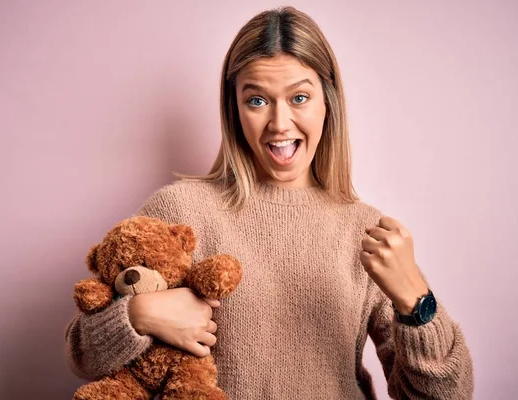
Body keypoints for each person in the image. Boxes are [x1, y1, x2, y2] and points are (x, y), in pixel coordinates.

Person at [65, 6, 474, 399]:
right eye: (257, 100)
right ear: (234, 108)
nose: (279, 124)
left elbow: (447, 397)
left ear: (328, 102)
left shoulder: (364, 231)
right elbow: (83, 355)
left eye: (299, 98)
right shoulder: (180, 211)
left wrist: (416, 302)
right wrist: (138, 315)